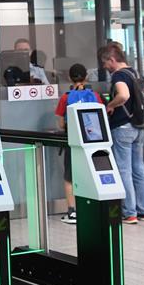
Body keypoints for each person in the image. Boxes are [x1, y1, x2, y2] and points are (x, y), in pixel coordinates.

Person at [100, 43, 144, 224]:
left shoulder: (119, 75)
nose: (105, 66)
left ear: (112, 59)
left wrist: (110, 105)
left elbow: (124, 95)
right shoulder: (135, 73)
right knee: (139, 168)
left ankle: (129, 212)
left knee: (124, 170)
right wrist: (139, 110)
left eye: (105, 62)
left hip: (123, 127)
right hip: (139, 127)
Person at [54, 63, 103, 224]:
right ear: (86, 76)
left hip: (73, 141)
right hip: (92, 141)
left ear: (69, 77)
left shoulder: (66, 97)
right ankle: (93, 208)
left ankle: (72, 212)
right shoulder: (95, 96)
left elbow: (61, 124)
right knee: (91, 173)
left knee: (70, 176)